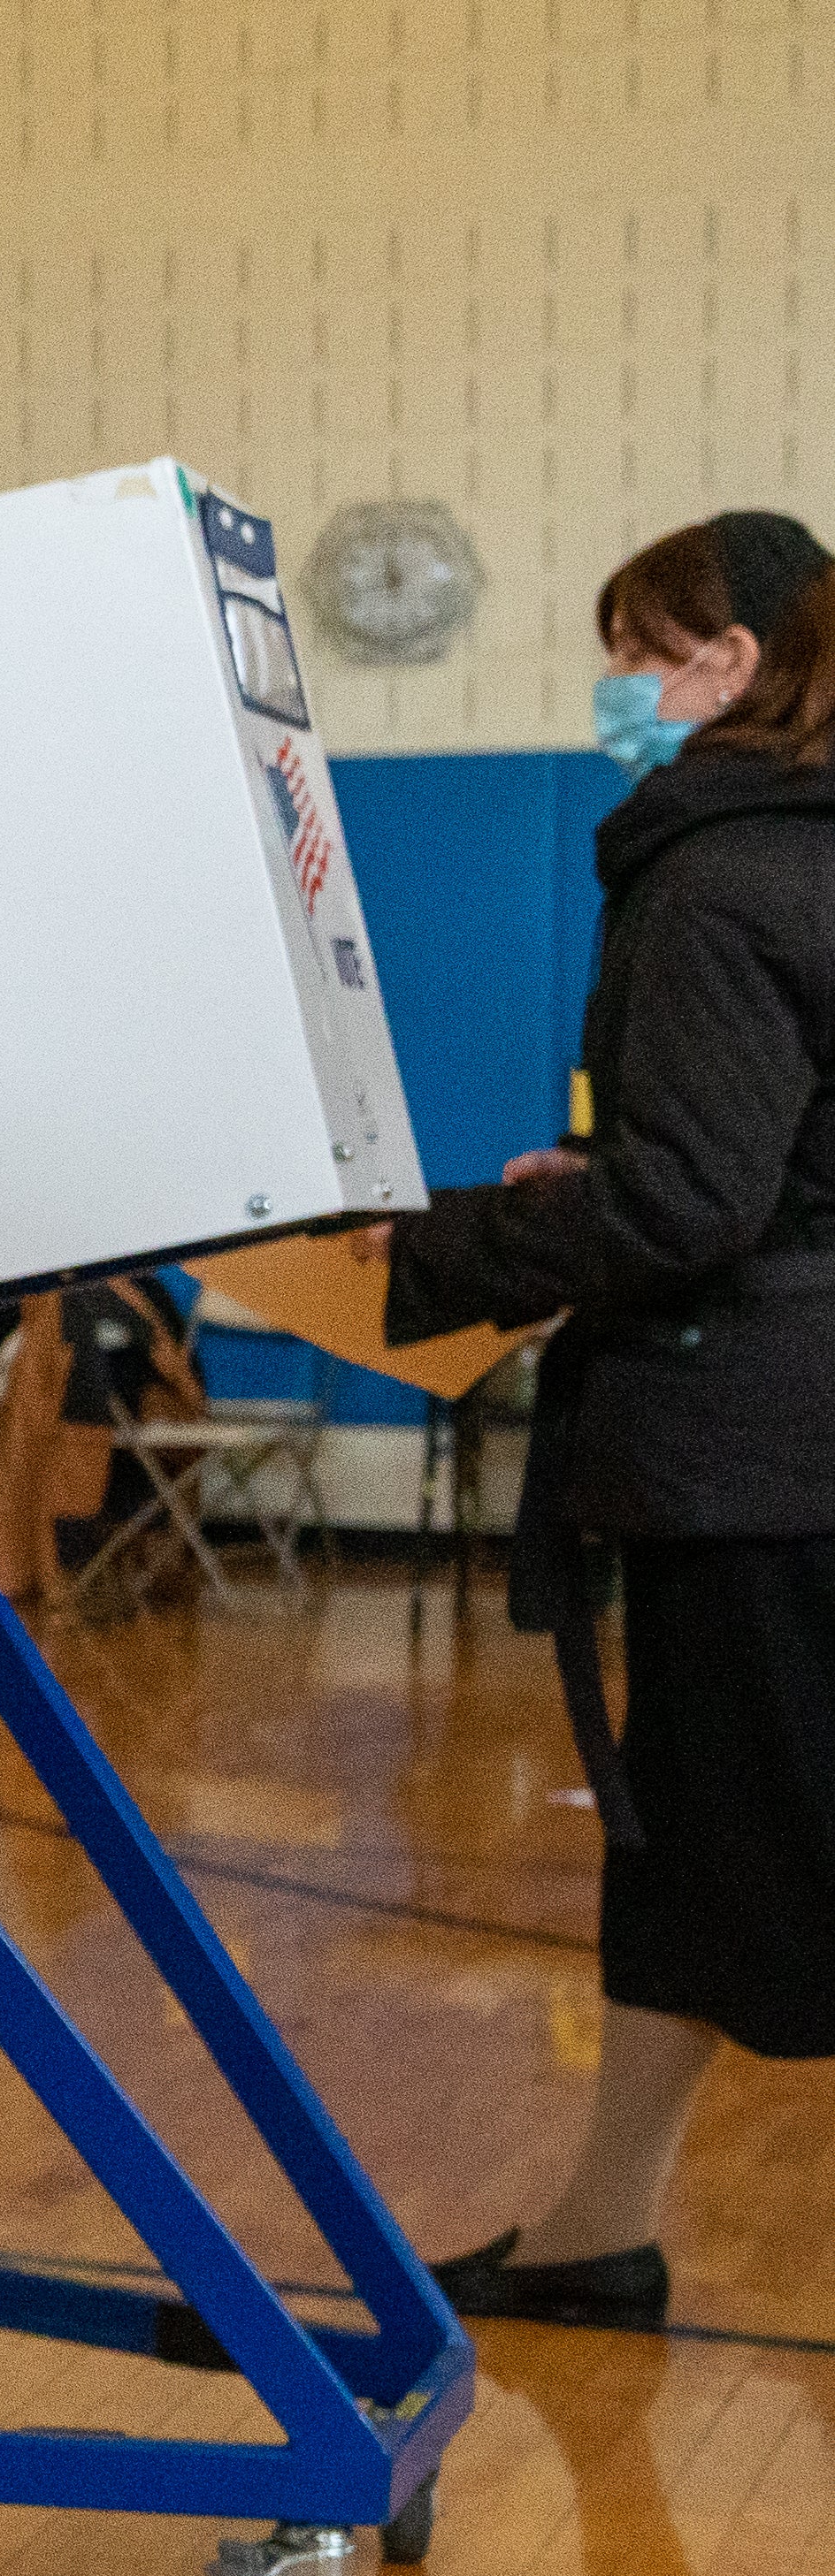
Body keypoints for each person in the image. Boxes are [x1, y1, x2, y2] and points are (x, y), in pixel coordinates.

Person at [387, 508, 835, 2327]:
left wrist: (456, 1240)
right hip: (772, 1439)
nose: (615, 685)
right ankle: (594, 2227)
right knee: (685, 1863)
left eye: (639, 646)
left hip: (758, 1453)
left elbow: (688, 1207)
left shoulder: (719, 877)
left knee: (776, 1870)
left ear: (729, 663)